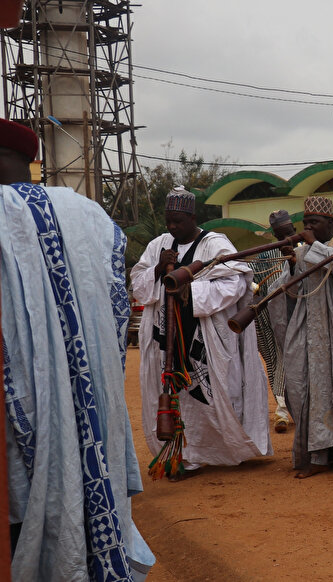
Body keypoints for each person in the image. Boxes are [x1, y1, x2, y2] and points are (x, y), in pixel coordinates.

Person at [0, 119, 153, 580]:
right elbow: (118, 306)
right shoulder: (89, 214)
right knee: (86, 493)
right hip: (94, 397)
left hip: (21, 404)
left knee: (26, 506)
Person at [132, 187, 272, 479]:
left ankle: (224, 450)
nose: (172, 227)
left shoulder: (215, 244)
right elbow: (139, 284)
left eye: (178, 221)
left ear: (192, 217)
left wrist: (192, 291)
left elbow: (237, 283)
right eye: (168, 221)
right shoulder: (159, 244)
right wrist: (158, 269)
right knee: (173, 397)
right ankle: (184, 456)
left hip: (204, 339)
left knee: (210, 396)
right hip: (164, 338)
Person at [268, 196, 333, 479]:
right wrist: (291, 265)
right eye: (305, 223)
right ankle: (317, 454)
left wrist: (310, 245)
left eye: (314, 222)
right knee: (307, 389)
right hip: (310, 333)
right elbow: (290, 289)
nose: (308, 227)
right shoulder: (303, 253)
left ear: (330, 223)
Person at [247, 210, 297, 433]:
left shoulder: (306, 252)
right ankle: (282, 408)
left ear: (294, 230)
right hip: (270, 317)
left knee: (289, 362)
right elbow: (252, 285)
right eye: (279, 235)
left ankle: (286, 410)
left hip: (296, 316)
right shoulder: (265, 257)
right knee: (274, 361)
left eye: (287, 233)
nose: (284, 239)